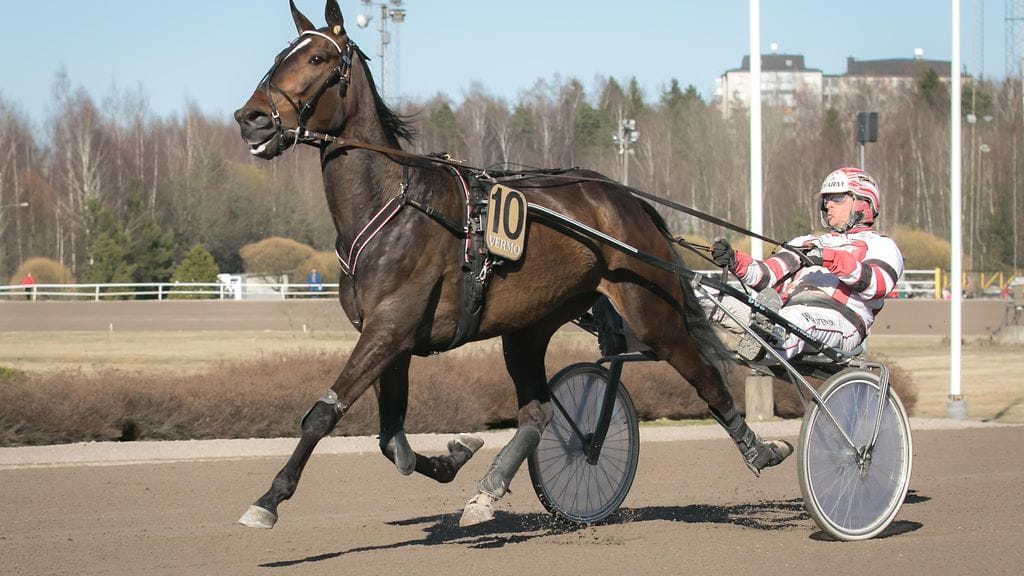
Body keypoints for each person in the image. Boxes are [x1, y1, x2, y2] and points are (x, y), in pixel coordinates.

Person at [712, 167, 904, 361]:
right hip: (782, 313)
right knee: (705, 295)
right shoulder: (806, 242)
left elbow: (877, 285)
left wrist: (828, 258)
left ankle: (764, 345)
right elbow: (769, 276)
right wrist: (735, 260)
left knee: (794, 318)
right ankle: (755, 336)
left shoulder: (881, 245)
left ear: (863, 203)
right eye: (826, 200)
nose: (828, 205)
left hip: (841, 321)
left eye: (837, 198)